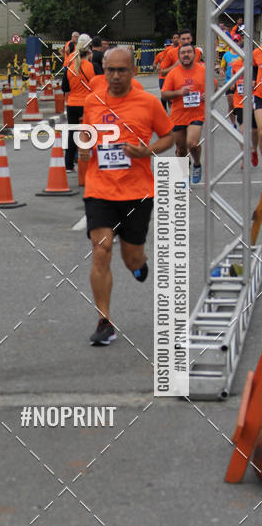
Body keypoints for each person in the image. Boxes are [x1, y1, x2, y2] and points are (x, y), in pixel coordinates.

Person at [78, 46, 174, 346]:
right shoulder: (93, 101)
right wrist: (83, 144)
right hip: (100, 187)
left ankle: (139, 264)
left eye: (122, 70)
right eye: (110, 70)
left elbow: (169, 135)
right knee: (101, 248)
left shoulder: (148, 103)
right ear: (103, 71)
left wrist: (147, 150)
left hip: (137, 191)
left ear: (133, 71)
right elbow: (86, 132)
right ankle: (104, 321)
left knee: (130, 257)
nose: (116, 76)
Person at [161, 43, 208, 182]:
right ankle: (184, 174)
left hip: (197, 113)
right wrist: (178, 92)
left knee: (192, 143)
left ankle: (197, 164)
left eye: (189, 52)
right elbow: (164, 94)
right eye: (183, 53)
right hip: (178, 116)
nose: (186, 55)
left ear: (194, 54)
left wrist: (208, 93)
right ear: (179, 56)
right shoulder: (173, 73)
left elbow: (214, 84)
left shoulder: (202, 70)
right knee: (181, 149)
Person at [64, 33, 95, 172]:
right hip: (87, 104)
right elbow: (99, 84)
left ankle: (69, 164)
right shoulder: (91, 67)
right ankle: (91, 162)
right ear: (89, 50)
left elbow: (65, 87)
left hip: (72, 104)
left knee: (72, 134)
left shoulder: (70, 65)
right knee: (90, 134)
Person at [230, 35, 258, 167]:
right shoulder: (235, 64)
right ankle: (243, 156)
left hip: (253, 101)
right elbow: (231, 84)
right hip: (239, 101)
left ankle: (253, 149)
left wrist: (253, 82)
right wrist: (232, 84)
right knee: (242, 130)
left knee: (254, 131)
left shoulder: (255, 64)